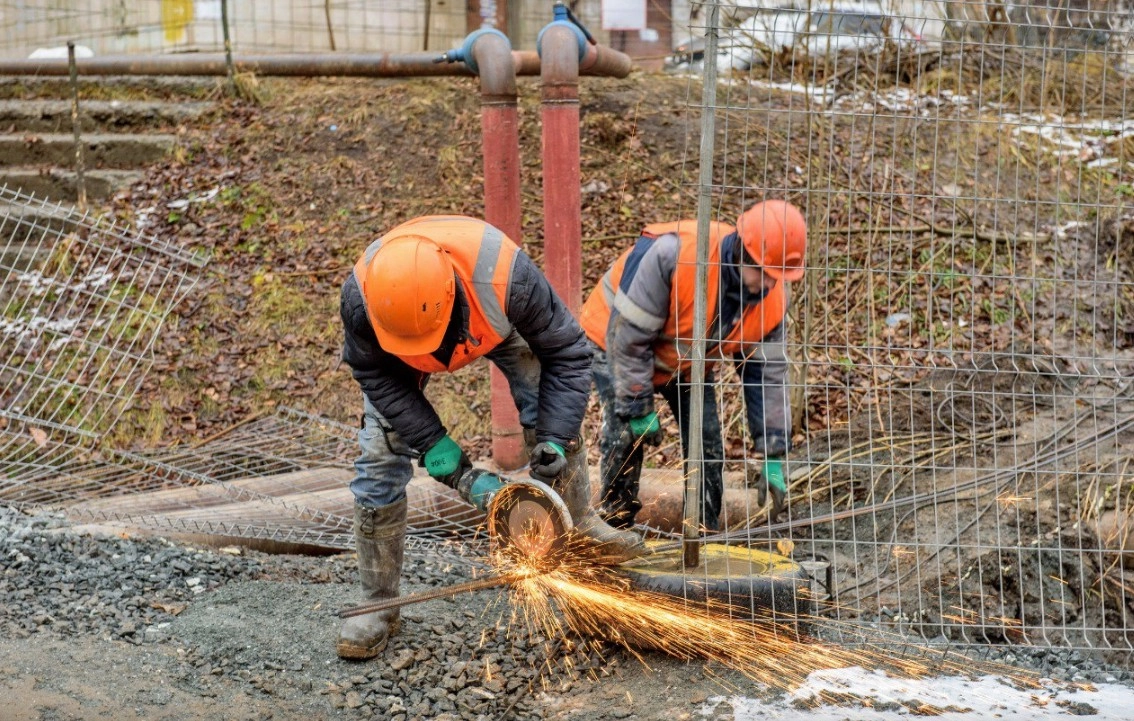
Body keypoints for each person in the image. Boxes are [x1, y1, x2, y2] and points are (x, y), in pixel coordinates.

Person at [337, 214, 643, 660]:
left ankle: (579, 522)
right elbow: (373, 373)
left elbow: (567, 354)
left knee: (547, 399)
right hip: (394, 347)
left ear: (451, 299)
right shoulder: (362, 301)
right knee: (380, 454)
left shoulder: (508, 280)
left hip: (495, 321)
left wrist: (555, 439)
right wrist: (440, 451)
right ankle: (378, 601)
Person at [579, 200, 807, 532]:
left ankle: (702, 533)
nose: (769, 285)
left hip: (686, 364)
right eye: (763, 273)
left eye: (777, 277)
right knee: (624, 436)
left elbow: (767, 376)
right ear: (742, 251)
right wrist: (637, 404)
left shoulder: (770, 298)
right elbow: (627, 339)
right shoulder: (674, 256)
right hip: (613, 342)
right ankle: (615, 527)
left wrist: (773, 451)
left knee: (707, 442)